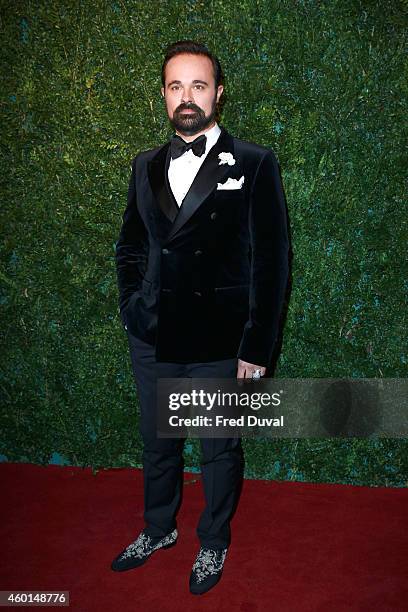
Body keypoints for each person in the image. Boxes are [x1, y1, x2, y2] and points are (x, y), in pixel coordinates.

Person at [111, 40, 289, 595]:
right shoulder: (144, 165)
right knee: (157, 443)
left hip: (220, 339)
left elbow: (273, 260)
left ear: (218, 94)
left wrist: (257, 346)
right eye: (175, 86)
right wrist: (133, 307)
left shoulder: (255, 163)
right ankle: (158, 528)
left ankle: (212, 542)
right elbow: (130, 248)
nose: (187, 97)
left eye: (198, 85)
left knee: (219, 450)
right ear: (164, 96)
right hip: (156, 336)